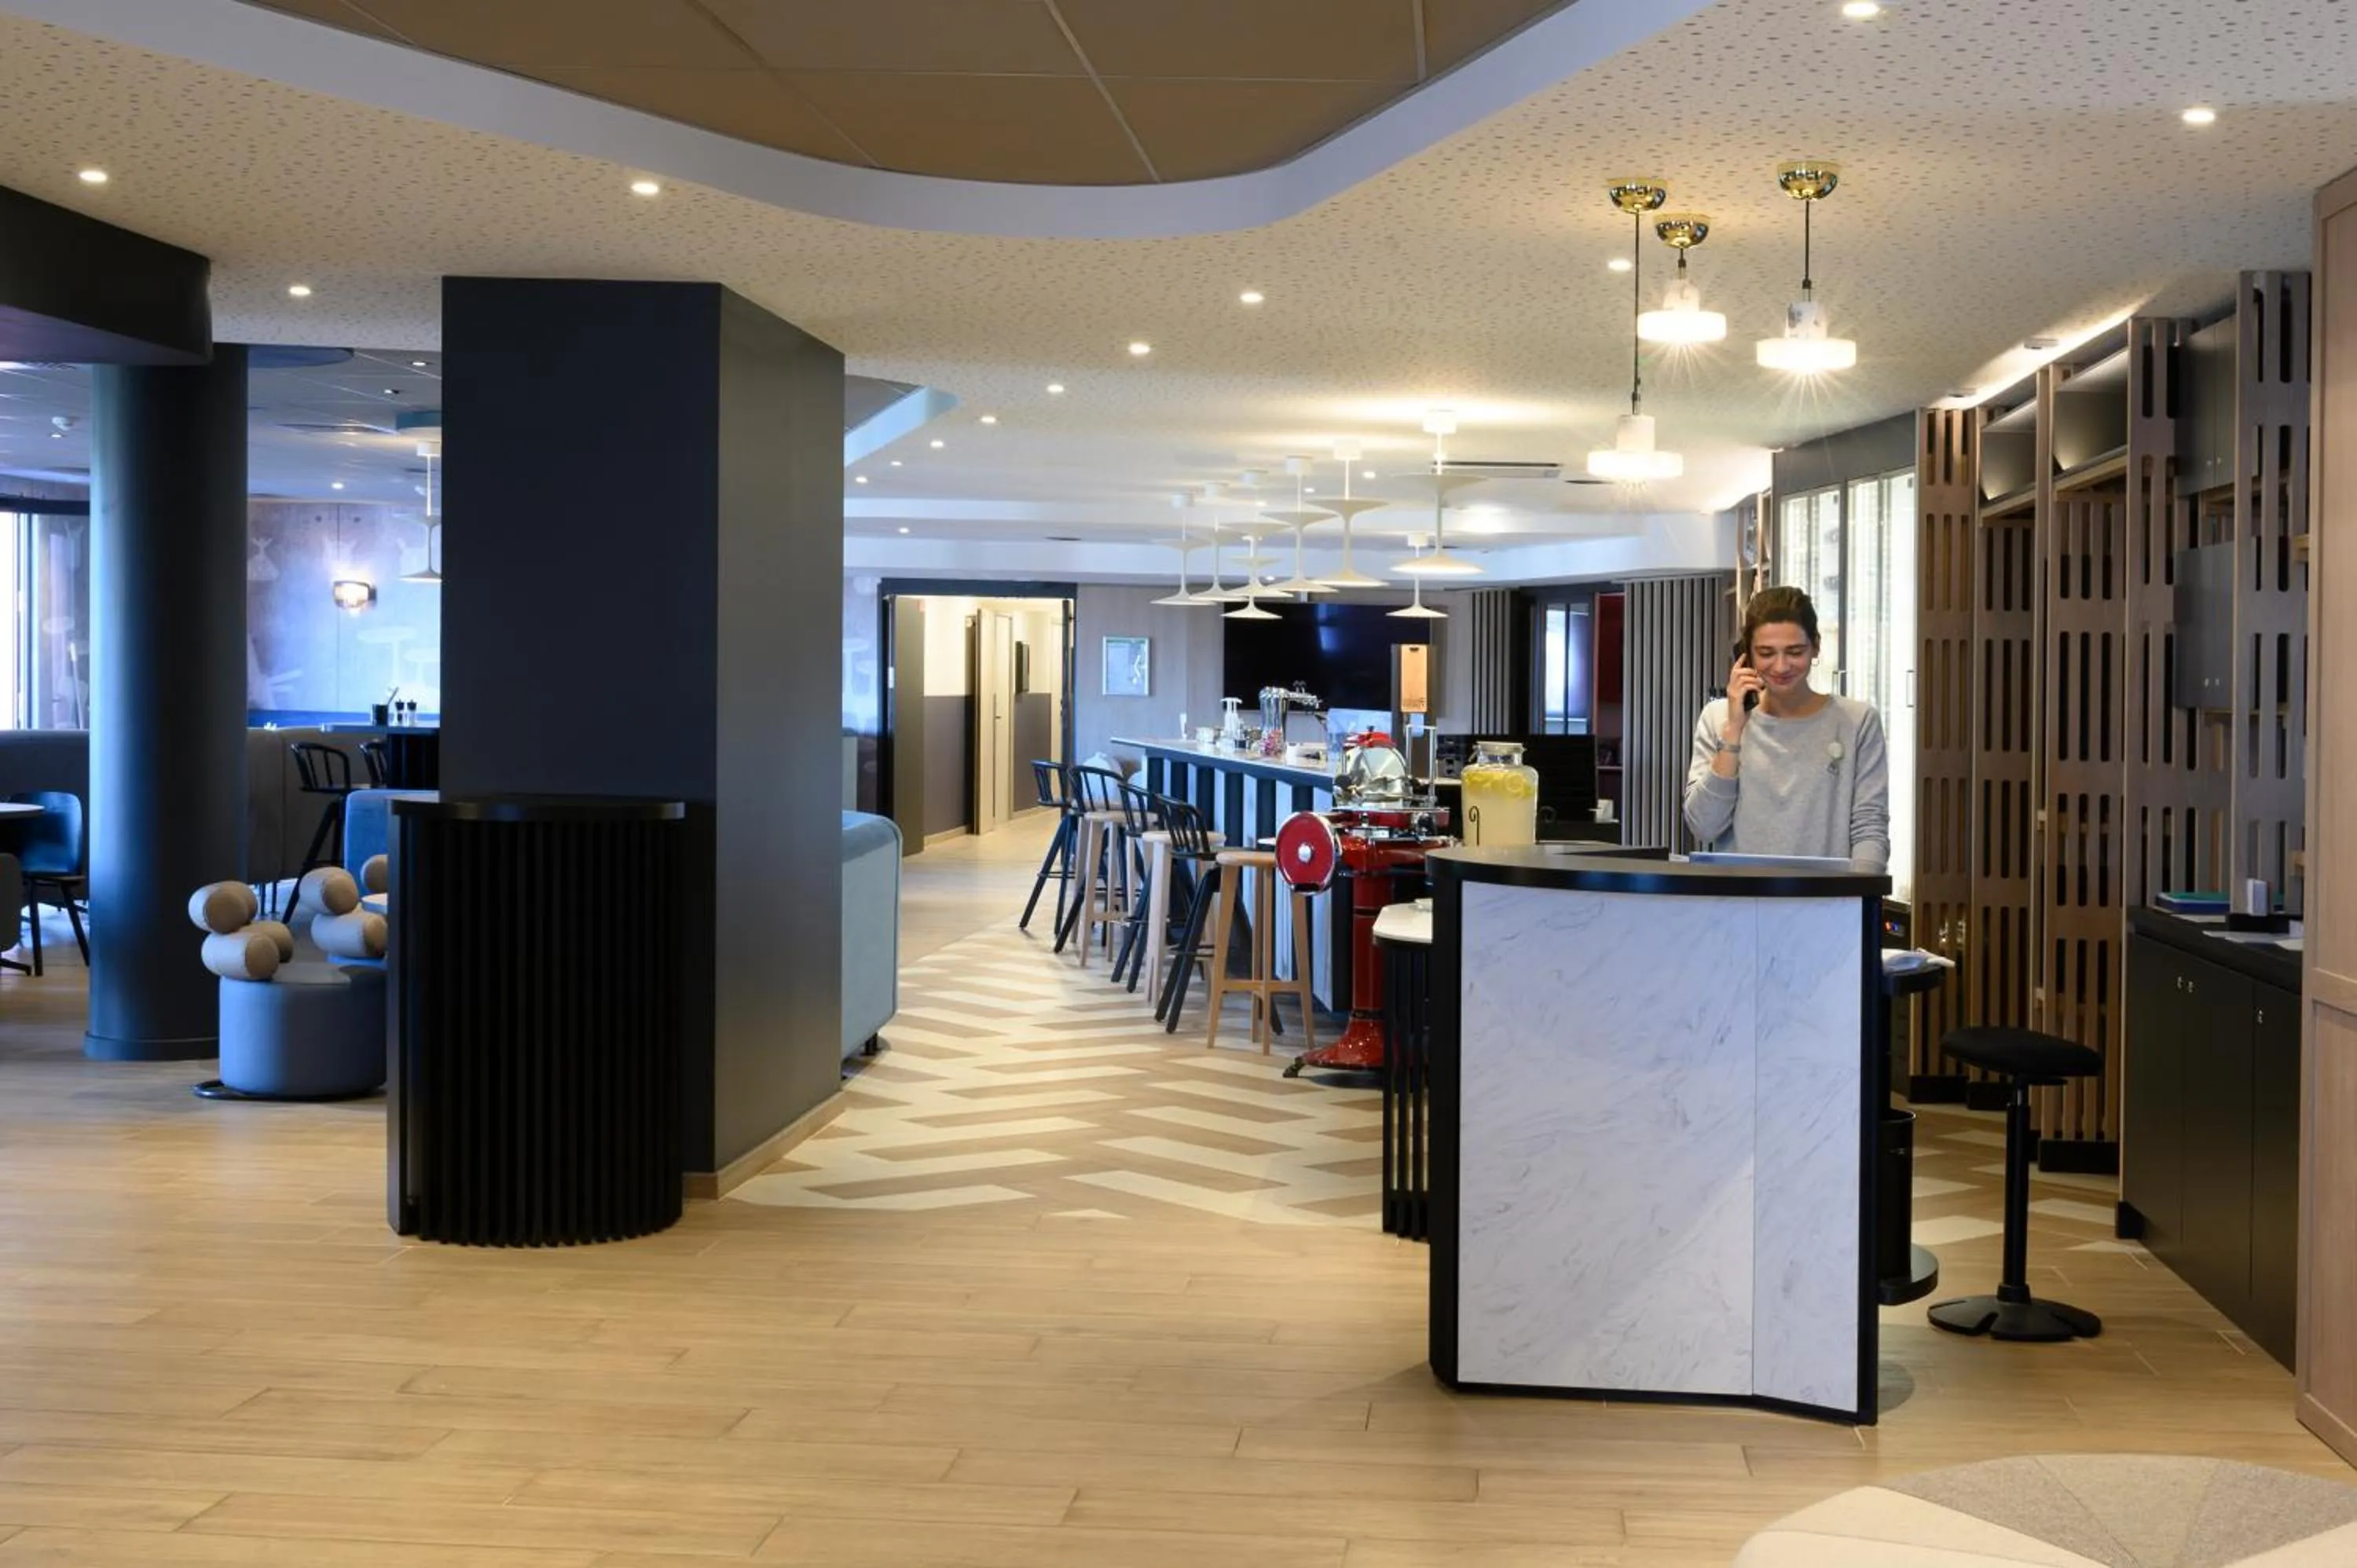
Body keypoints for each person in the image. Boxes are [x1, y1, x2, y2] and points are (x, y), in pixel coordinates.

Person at [1682, 584, 1890, 870]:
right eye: (1766, 653)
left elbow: (1869, 826)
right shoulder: (1719, 718)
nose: (1781, 667)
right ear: (1747, 656)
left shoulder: (1857, 721)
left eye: (1795, 651)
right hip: (1738, 905)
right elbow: (1704, 826)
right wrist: (1732, 735)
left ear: (1816, 646)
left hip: (1829, 905)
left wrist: (1862, 902)